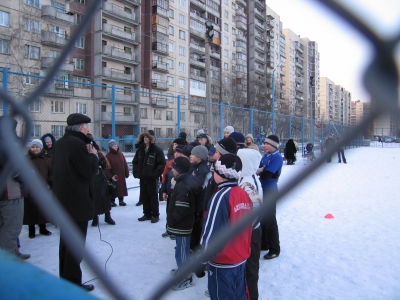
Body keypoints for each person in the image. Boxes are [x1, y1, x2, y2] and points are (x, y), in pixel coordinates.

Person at [52, 113, 98, 292]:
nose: (88, 129)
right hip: (76, 202)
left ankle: (66, 279)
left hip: (64, 201)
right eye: (86, 126)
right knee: (75, 245)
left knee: (66, 243)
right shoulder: (77, 144)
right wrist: (94, 155)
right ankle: (72, 282)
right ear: (80, 128)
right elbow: (87, 170)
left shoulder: (62, 142)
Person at [199, 154, 252, 300]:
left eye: (214, 170)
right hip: (240, 258)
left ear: (221, 175)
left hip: (223, 263)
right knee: (238, 294)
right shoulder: (243, 193)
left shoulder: (220, 196)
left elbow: (211, 234)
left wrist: (201, 261)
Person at [167, 157, 201, 291]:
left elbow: (182, 208)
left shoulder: (183, 186)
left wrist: (172, 219)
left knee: (181, 252)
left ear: (180, 170)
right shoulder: (185, 180)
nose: (172, 169)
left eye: (174, 168)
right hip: (184, 223)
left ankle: (186, 277)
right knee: (183, 249)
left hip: (183, 224)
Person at [0, 116, 30, 260]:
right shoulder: (5, 145)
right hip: (10, 192)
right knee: (11, 228)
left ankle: (12, 252)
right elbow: (15, 170)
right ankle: (10, 258)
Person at [237, 147, 263, 300]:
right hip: (249, 230)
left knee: (250, 269)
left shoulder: (247, 183)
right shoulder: (247, 177)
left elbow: (253, 209)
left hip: (249, 231)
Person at [257, 135, 282, 260]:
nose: (265, 145)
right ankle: (265, 244)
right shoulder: (266, 156)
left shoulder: (277, 157)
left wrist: (262, 170)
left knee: (270, 220)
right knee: (263, 218)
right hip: (262, 190)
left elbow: (266, 175)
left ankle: (274, 249)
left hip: (270, 191)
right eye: (264, 143)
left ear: (274, 146)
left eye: (267, 144)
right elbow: (259, 170)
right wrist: (262, 170)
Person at [132, 131, 166, 223]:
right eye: (144, 137)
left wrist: (155, 174)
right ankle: (146, 214)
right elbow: (135, 162)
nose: (145, 139)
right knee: (144, 195)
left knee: (153, 196)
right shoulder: (140, 150)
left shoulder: (156, 150)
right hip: (143, 177)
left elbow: (161, 164)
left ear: (151, 139)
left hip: (152, 178)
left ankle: (155, 214)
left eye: (147, 137)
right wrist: (136, 172)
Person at [23, 139, 53, 238]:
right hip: (30, 189)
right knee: (30, 209)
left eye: (37, 147)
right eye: (33, 147)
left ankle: (43, 228)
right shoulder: (25, 159)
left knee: (42, 208)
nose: (35, 149)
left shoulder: (47, 159)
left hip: (44, 188)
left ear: (40, 148)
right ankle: (31, 229)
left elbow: (52, 173)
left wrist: (49, 183)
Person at [88, 135, 115, 226]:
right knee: (94, 198)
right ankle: (95, 218)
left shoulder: (98, 152)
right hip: (91, 179)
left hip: (101, 178)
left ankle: (108, 216)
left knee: (105, 197)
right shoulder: (83, 152)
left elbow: (105, 164)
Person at [189, 145, 211, 251]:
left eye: (193, 154)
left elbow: (197, 187)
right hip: (196, 204)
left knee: (197, 227)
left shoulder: (202, 170)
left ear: (200, 157)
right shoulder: (195, 167)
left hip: (199, 205)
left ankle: (195, 248)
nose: (190, 156)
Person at [106, 140, 129, 207]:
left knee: (121, 187)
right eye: (114, 146)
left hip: (121, 175)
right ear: (110, 147)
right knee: (113, 188)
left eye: (116, 146)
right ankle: (112, 201)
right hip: (114, 176)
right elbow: (107, 168)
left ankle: (121, 200)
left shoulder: (120, 154)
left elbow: (125, 163)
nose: (115, 147)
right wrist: (110, 176)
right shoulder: (108, 156)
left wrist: (126, 172)